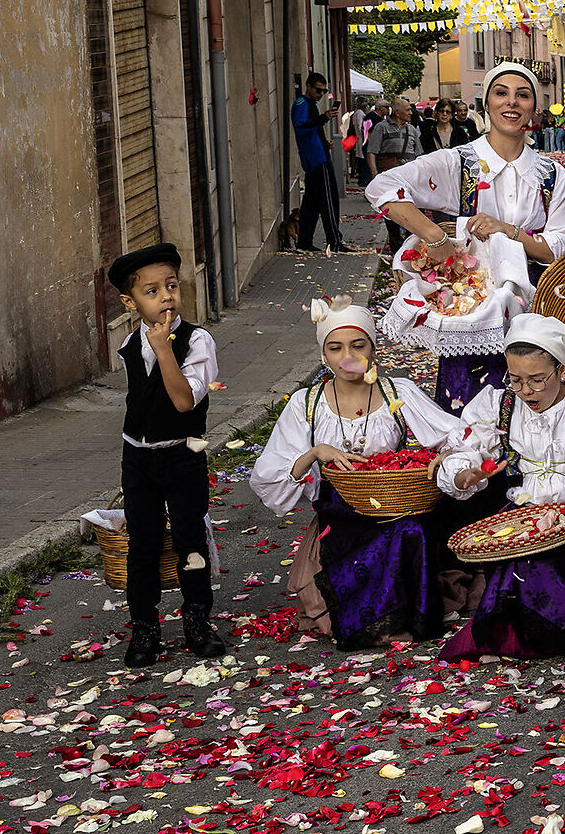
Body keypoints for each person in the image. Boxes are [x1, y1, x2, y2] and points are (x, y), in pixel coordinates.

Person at [248, 298, 461, 648]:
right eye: (336, 347)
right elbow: (267, 474)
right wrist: (316, 453)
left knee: (411, 528)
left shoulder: (396, 391)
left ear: (374, 350)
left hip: (393, 506)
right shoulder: (308, 403)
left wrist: (447, 456)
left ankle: (403, 613)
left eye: (358, 345)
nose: (347, 356)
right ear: (324, 355)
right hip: (340, 514)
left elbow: (454, 435)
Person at [372, 63, 565, 410]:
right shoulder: (459, 163)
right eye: (501, 93)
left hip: (535, 307)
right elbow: (383, 187)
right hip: (473, 308)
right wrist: (434, 236)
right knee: (470, 408)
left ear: (533, 108)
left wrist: (508, 231)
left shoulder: (551, 175)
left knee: (534, 403)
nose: (511, 103)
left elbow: (562, 248)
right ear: (487, 104)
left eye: (523, 95)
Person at [436, 314, 565, 660]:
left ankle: (563, 633)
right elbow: (466, 447)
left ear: (560, 370)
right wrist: (462, 473)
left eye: (537, 380)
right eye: (516, 380)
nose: (526, 391)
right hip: (520, 520)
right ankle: (520, 635)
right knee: (519, 563)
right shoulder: (498, 404)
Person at [108, 243, 225, 667]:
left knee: (189, 539)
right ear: (130, 301)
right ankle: (145, 627)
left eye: (171, 286)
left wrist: (163, 350)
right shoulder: (130, 343)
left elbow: (183, 402)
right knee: (143, 543)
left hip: (182, 454)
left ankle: (197, 621)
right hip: (137, 457)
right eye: (152, 291)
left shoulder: (197, 341)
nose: (166, 297)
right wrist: (150, 348)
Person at [291, 73, 344, 254]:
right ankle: (334, 241)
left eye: (324, 91)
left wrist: (323, 143)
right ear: (308, 86)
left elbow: (310, 130)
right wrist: (324, 118)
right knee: (328, 200)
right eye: (318, 90)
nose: (321, 94)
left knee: (311, 204)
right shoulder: (302, 104)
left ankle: (305, 241)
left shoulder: (307, 105)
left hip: (316, 156)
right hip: (317, 159)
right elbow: (302, 127)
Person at [370, 100, 423, 253]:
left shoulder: (412, 129)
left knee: (413, 211)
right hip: (390, 178)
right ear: (397, 112)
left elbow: (419, 153)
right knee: (392, 212)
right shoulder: (381, 128)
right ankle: (396, 248)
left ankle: (410, 246)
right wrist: (374, 174)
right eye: (407, 110)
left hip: (410, 179)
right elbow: (372, 151)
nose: (411, 112)